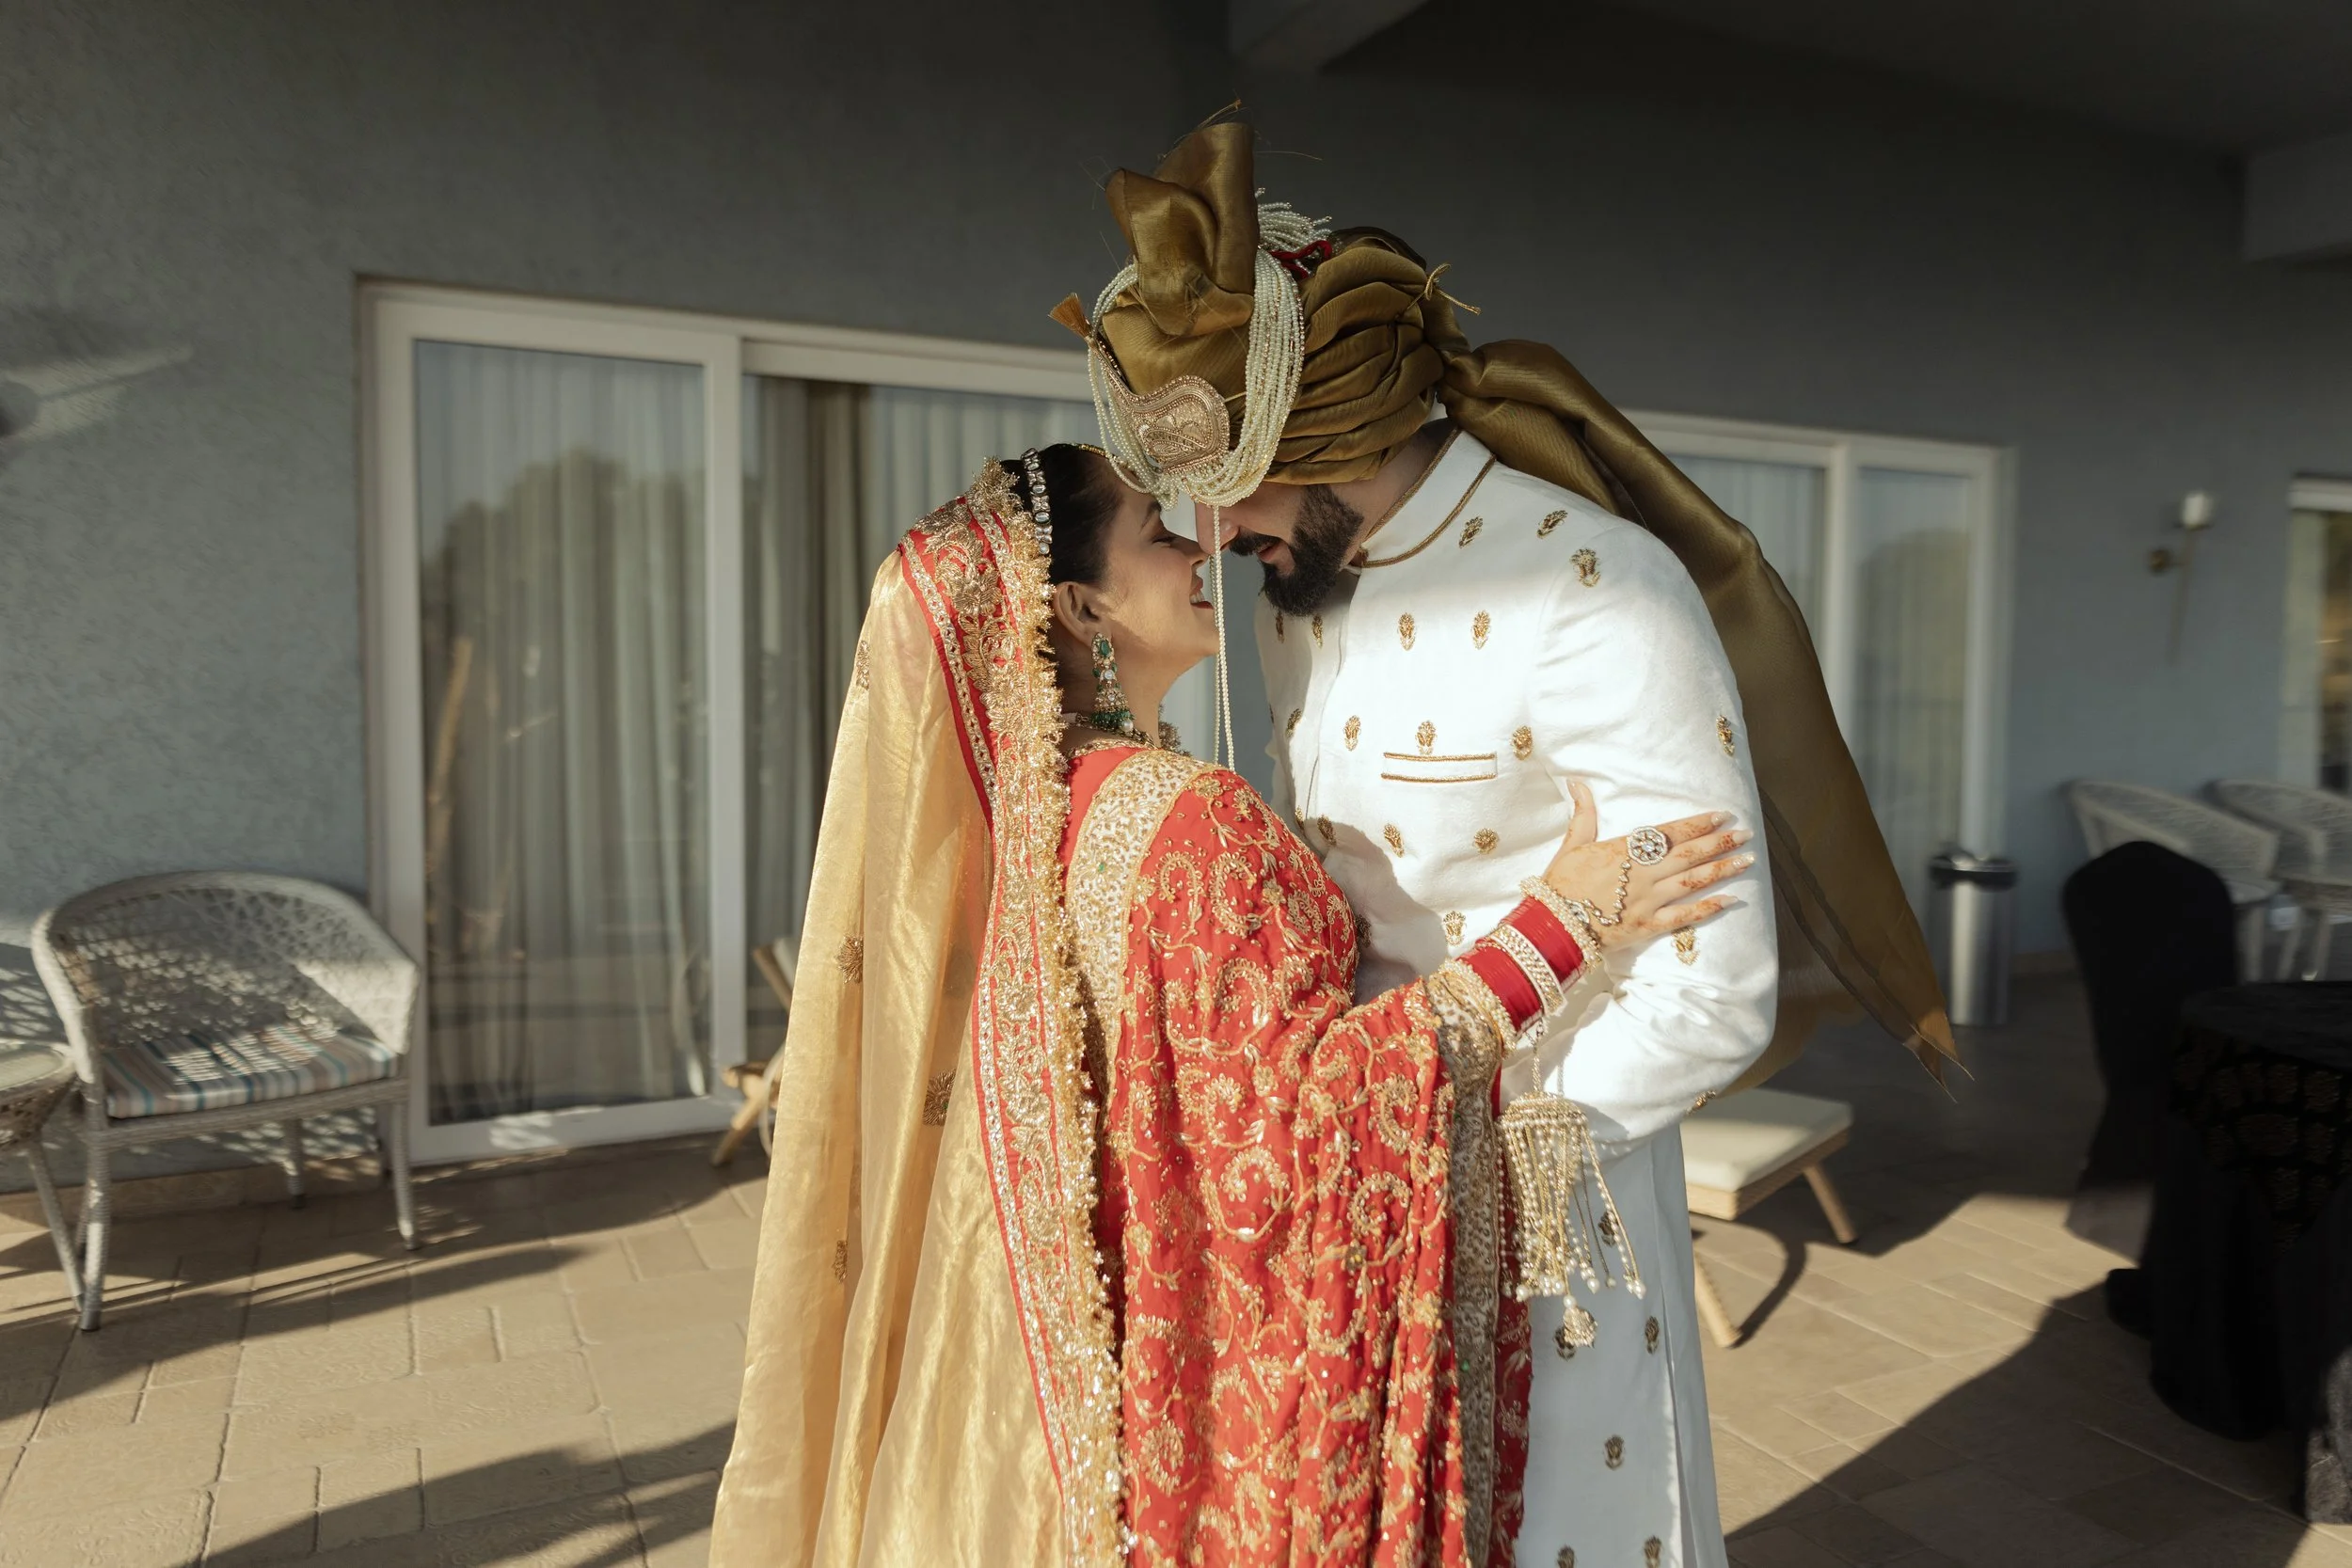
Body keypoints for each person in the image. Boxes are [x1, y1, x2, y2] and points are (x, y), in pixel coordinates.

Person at [1060, 121, 1958, 1568]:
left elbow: (1712, 987)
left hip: (1551, 1200)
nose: (1212, 527)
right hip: (1361, 1178)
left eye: (1244, 480)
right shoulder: (1306, 584)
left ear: (1341, 436)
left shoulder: (1603, 599)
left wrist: (1463, 1165)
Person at [708, 442, 1754, 1567]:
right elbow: (1300, 1125)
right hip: (1237, 1341)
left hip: (1159, 1343)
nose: (1200, 540)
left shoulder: (1050, 817)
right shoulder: (1189, 821)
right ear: (1079, 606)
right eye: (1156, 533)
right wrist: (1560, 924)